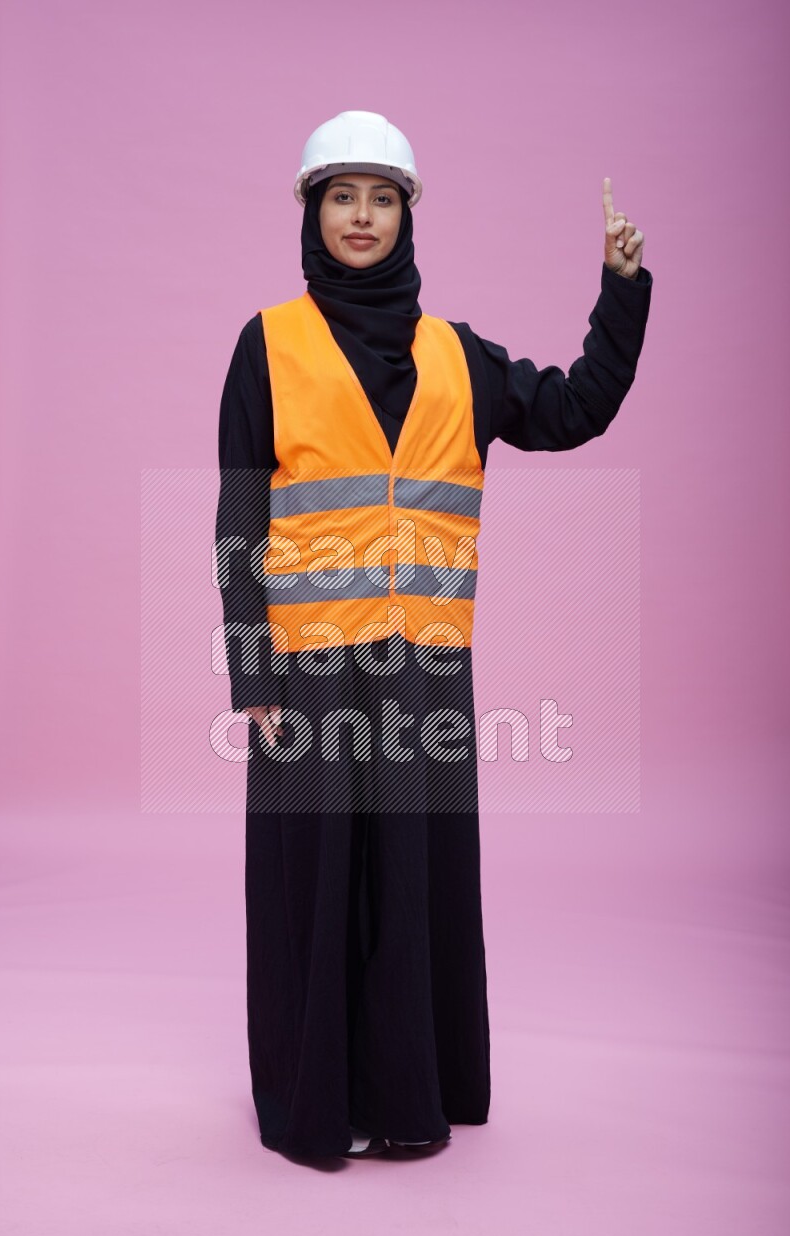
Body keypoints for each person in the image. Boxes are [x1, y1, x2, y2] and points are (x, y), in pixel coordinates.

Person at [215, 110, 652, 1160]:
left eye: (380, 198)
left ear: (406, 215)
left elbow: (574, 408)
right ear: (312, 211)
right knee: (316, 880)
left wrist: (620, 292)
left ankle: (405, 1100)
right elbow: (240, 519)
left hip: (421, 675)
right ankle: (318, 1103)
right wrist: (251, 675)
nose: (359, 217)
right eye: (340, 196)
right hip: (309, 677)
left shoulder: (462, 356)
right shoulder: (266, 343)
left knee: (409, 879)